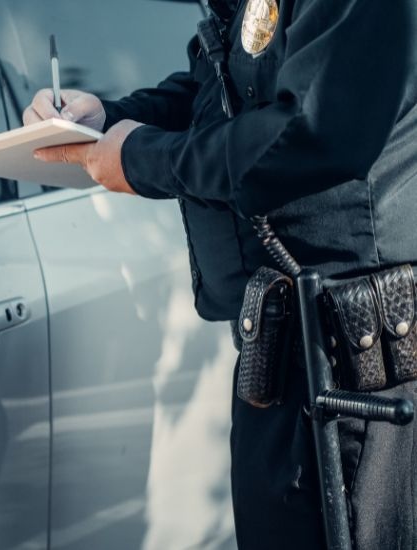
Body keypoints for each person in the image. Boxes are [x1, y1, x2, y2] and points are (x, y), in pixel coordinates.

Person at [24, 0, 417, 548]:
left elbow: (315, 130)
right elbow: (220, 92)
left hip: (362, 374)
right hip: (279, 359)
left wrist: (144, 159)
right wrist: (108, 119)